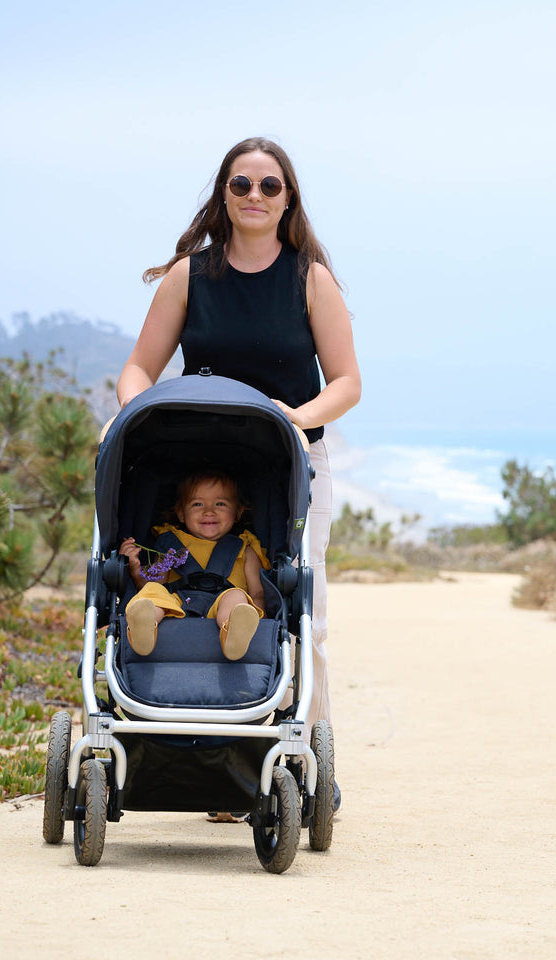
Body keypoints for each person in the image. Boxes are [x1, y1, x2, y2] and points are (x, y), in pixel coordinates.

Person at [117, 137, 361, 755]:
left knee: (305, 614)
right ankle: (183, 743)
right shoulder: (189, 276)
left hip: (291, 460)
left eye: (269, 185)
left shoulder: (310, 279)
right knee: (176, 584)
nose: (255, 195)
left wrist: (296, 418)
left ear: (288, 199)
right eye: (241, 184)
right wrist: (131, 414)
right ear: (223, 196)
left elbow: (346, 383)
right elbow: (139, 368)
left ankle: (303, 753)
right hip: (198, 462)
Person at [120, 470, 267, 661]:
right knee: (154, 591)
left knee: (237, 597)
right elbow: (155, 582)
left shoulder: (245, 548)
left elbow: (257, 593)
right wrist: (134, 570)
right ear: (181, 513)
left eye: (220, 504)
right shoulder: (171, 542)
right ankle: (145, 627)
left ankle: (234, 632)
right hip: (177, 605)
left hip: (221, 604)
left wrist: (262, 621)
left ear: (238, 511)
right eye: (197, 504)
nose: (209, 511)